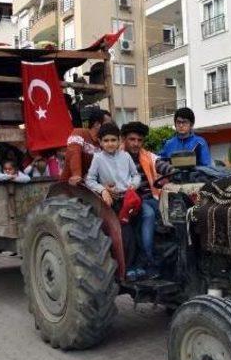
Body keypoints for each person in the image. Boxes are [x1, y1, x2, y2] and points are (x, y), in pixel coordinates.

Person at [86, 123, 143, 279]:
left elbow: (136, 175)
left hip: (130, 198)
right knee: (126, 233)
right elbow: (90, 180)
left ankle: (143, 263)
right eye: (106, 140)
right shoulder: (98, 158)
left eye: (113, 140)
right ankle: (128, 268)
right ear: (100, 142)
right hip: (115, 201)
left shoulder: (125, 156)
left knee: (143, 226)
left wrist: (134, 184)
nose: (110, 144)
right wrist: (103, 190)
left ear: (119, 141)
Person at [121, 121, 173, 277]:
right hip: (130, 201)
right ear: (124, 139)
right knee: (148, 214)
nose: (136, 143)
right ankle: (148, 261)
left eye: (139, 140)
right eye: (132, 139)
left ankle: (170, 259)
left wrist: (172, 171)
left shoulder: (147, 156)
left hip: (151, 198)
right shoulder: (117, 157)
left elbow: (161, 164)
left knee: (177, 213)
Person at [61, 107, 106, 185]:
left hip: (90, 188)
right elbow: (74, 152)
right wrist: (76, 174)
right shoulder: (78, 132)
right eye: (108, 124)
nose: (111, 128)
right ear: (97, 124)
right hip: (68, 187)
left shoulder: (103, 143)